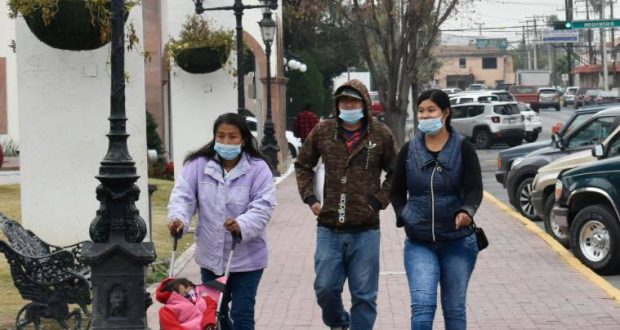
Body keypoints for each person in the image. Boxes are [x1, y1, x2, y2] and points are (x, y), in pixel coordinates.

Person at [295, 79, 397, 330]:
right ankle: (339, 323)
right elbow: (302, 164)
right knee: (325, 288)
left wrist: (378, 201)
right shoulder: (323, 131)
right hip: (330, 226)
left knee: (364, 296)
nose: (348, 105)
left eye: (353, 101)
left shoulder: (381, 134)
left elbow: (396, 172)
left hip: (366, 229)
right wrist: (310, 198)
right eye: (343, 101)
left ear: (364, 103)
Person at [167, 113, 277, 330]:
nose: (226, 142)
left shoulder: (258, 168)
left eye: (233, 137)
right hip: (211, 258)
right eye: (221, 136)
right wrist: (178, 219)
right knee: (215, 311)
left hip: (248, 258)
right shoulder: (198, 165)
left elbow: (264, 205)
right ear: (214, 137)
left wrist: (242, 224)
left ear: (243, 139)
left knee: (242, 312)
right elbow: (183, 196)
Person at [390, 89, 483, 330]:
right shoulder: (409, 150)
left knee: (454, 311)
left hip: (458, 242)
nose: (425, 116)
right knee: (422, 308)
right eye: (421, 111)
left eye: (431, 110)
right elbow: (396, 191)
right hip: (419, 243)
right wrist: (404, 216)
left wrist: (467, 211)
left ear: (445, 113)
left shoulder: (463, 148)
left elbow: (475, 189)